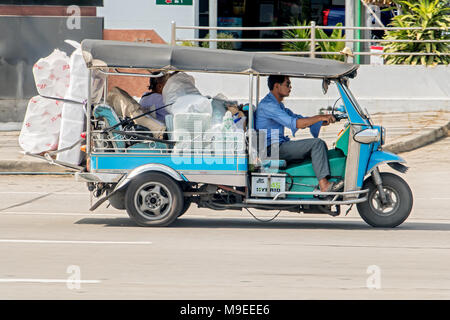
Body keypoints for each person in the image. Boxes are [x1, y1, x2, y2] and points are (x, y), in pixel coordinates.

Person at [255, 75, 340, 193]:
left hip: (278, 145)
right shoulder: (269, 106)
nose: (290, 87)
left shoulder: (278, 105)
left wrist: (320, 121)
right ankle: (324, 185)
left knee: (320, 147)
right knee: (317, 144)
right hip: (272, 149)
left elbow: (297, 117)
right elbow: (295, 123)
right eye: (287, 84)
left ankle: (315, 183)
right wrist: (320, 117)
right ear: (276, 86)